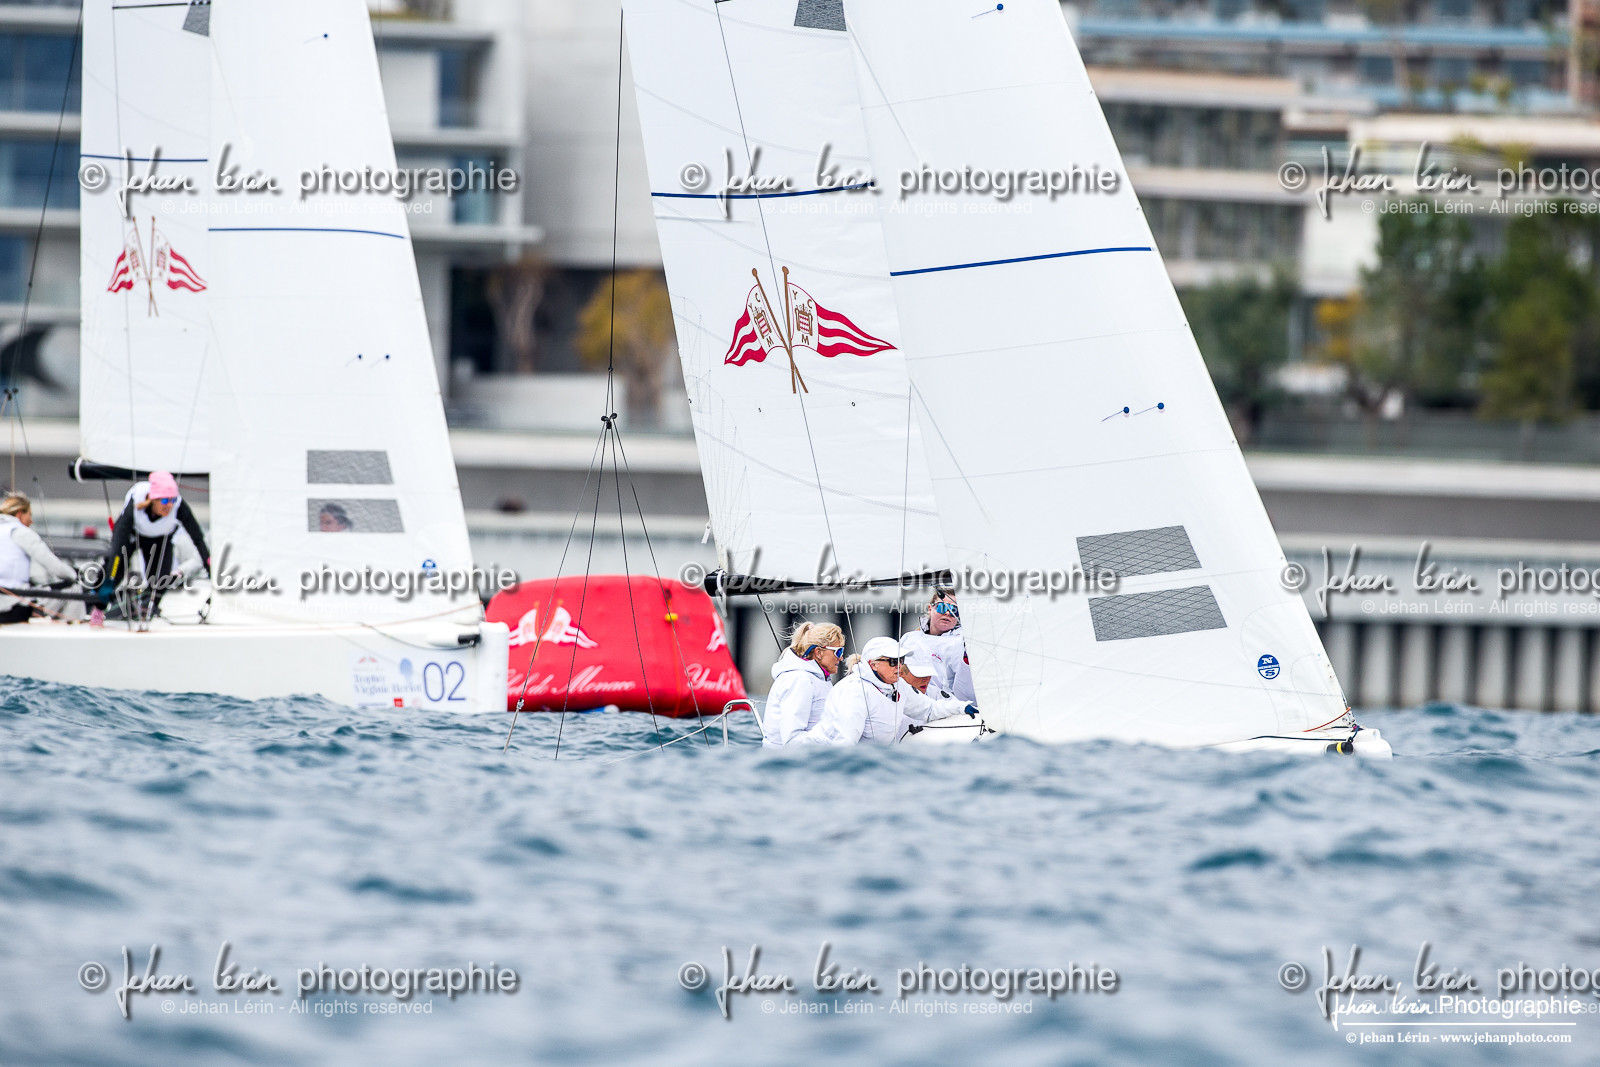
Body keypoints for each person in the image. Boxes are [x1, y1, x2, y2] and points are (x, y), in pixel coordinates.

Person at [103, 471, 210, 615]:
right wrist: (109, 580)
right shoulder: (134, 504)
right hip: (132, 536)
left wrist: (210, 569)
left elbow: (198, 539)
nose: (169, 506)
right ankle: (98, 607)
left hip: (160, 540)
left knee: (160, 582)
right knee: (116, 570)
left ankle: (146, 608)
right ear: (153, 499)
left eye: (172, 500)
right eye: (165, 501)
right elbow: (117, 550)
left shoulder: (179, 506)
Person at [805, 636, 907, 746]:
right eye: (893, 661)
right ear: (873, 665)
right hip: (822, 755)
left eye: (901, 660)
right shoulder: (855, 690)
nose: (899, 666)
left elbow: (925, 708)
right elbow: (845, 741)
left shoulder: (898, 685)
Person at [0, 493, 80, 624]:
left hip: (6, 601)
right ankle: (74, 635)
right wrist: (75, 575)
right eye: (29, 515)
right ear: (19, 514)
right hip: (11, 609)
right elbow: (55, 568)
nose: (31, 521)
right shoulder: (20, 532)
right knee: (73, 589)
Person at [762, 621, 844, 747]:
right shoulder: (800, 680)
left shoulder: (819, 679)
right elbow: (792, 741)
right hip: (786, 763)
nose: (841, 658)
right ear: (818, 652)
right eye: (838, 652)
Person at [899, 587, 976, 703]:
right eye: (942, 607)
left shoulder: (961, 643)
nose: (948, 613)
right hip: (907, 703)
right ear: (930, 609)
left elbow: (966, 690)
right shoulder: (909, 638)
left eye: (955, 610)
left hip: (942, 708)